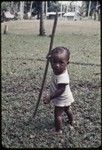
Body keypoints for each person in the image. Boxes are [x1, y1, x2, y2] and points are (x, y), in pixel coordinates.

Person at [43, 46, 74, 133]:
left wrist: (50, 97)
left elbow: (60, 90)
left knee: (57, 115)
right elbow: (49, 59)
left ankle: (58, 130)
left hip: (61, 98)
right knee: (67, 109)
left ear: (67, 63)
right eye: (54, 62)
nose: (57, 65)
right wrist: (49, 56)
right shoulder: (60, 68)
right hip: (67, 97)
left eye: (61, 63)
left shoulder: (62, 77)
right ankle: (72, 121)